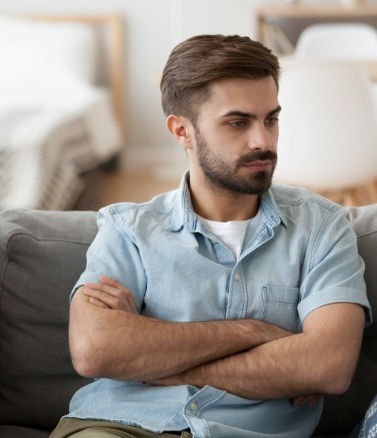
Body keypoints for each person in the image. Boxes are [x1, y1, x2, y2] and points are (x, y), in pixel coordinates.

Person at [51, 34, 372, 438]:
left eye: (270, 119)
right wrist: (255, 333)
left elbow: (328, 366)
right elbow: (94, 350)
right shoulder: (127, 229)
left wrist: (159, 361)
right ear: (181, 131)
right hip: (119, 426)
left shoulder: (322, 228)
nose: (263, 141)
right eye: (238, 122)